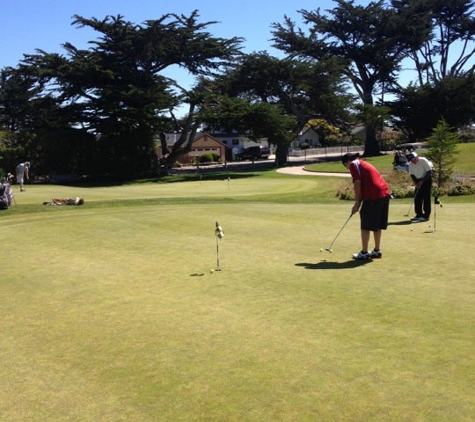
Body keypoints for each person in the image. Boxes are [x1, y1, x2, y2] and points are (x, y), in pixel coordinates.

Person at [341, 152, 391, 260]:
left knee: (366, 225)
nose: (348, 168)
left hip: (373, 196)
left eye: (346, 166)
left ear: (347, 162)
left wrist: (357, 202)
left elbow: (357, 183)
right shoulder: (362, 163)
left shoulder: (354, 164)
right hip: (384, 194)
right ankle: (377, 251)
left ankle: (364, 253)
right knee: (376, 224)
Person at [406, 151, 434, 222]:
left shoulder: (423, 160)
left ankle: (426, 216)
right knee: (417, 198)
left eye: (414, 159)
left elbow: (429, 172)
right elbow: (412, 174)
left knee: (426, 198)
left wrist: (422, 181)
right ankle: (419, 215)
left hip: (427, 179)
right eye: (411, 160)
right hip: (418, 180)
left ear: (417, 157)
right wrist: (416, 182)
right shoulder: (410, 164)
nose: (413, 161)